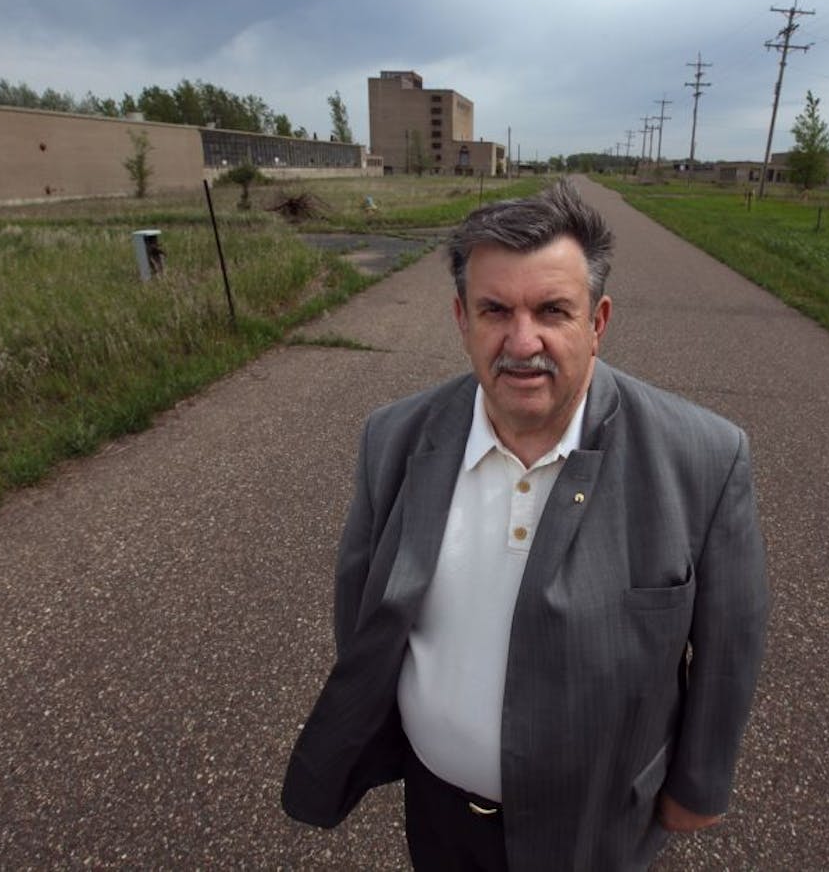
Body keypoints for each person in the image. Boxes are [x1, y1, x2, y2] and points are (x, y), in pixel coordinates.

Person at [282, 179, 769, 870]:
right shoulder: (393, 438)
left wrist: (701, 784)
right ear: (461, 320)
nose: (523, 340)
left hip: (597, 820)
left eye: (552, 310)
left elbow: (730, 645)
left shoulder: (704, 458)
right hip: (439, 806)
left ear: (596, 323)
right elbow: (361, 605)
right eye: (495, 310)